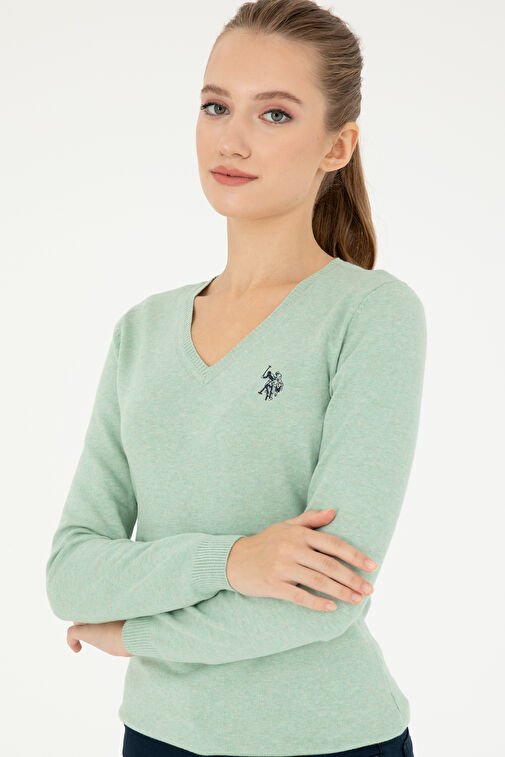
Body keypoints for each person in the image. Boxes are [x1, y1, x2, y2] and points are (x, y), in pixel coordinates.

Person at [45, 1, 425, 756]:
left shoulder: (371, 314)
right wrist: (231, 561)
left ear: (336, 146)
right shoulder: (142, 330)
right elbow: (71, 573)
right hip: (156, 737)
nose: (232, 139)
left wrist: (132, 634)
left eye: (275, 114)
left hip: (327, 739)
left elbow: (327, 595)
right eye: (215, 106)